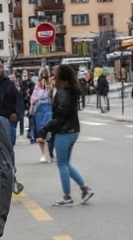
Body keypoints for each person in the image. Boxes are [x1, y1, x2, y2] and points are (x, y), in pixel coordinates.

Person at [37, 64, 92, 207]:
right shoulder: (70, 89)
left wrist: (45, 129)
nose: (53, 76)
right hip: (73, 130)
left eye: (55, 73)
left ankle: (67, 196)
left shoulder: (62, 93)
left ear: (61, 76)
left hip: (64, 131)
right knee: (66, 163)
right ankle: (85, 189)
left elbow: (60, 117)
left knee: (62, 164)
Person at [30, 71, 53, 163]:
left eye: (45, 78)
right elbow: (33, 100)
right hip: (39, 113)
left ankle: (49, 153)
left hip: (48, 112)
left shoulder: (50, 87)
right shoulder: (36, 88)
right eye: (41, 79)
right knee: (40, 135)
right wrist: (31, 109)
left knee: (49, 134)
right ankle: (44, 153)